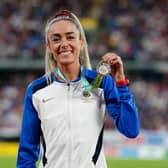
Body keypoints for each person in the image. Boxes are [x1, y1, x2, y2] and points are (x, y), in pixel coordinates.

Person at [17, 9, 140, 168]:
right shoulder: (36, 91)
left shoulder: (101, 83)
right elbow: (27, 152)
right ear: (49, 47)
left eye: (70, 37)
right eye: (56, 39)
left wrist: (121, 84)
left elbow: (131, 130)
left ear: (81, 42)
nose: (64, 44)